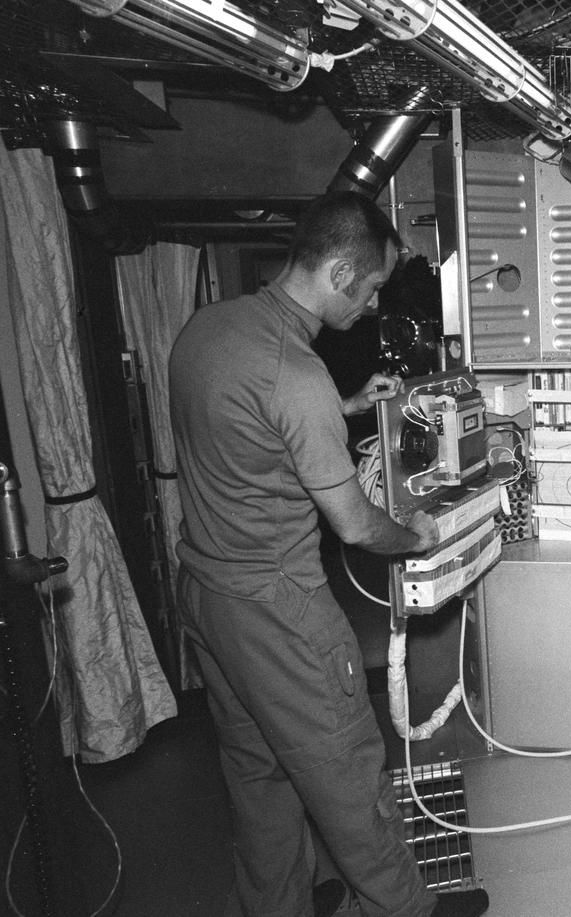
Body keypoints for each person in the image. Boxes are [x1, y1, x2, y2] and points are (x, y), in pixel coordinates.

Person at [169, 190, 489, 917]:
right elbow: (355, 526)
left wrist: (343, 409)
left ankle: (280, 900)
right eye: (373, 287)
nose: (374, 306)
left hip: (207, 591)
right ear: (341, 273)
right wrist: (422, 535)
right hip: (279, 609)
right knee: (347, 770)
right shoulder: (294, 370)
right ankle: (409, 908)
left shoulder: (210, 328)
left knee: (256, 768)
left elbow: (243, 430)